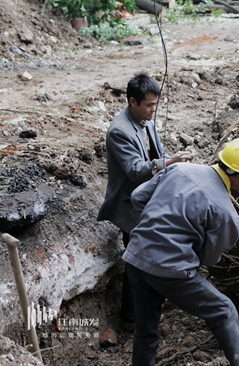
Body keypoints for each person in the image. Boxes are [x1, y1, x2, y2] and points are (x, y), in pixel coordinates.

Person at [123, 138, 239, 366]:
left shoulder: (178, 169)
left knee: (146, 326)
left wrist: (155, 227)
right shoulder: (226, 212)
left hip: (136, 255)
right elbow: (210, 258)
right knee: (225, 310)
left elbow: (138, 197)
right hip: (169, 269)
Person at [97, 72, 190, 331]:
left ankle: (149, 303)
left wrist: (175, 158)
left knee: (148, 256)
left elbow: (158, 155)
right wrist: (167, 163)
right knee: (135, 263)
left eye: (155, 104)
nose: (153, 110)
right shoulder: (119, 131)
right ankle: (130, 318)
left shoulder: (146, 121)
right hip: (130, 205)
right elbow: (136, 169)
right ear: (132, 102)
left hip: (148, 198)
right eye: (149, 105)